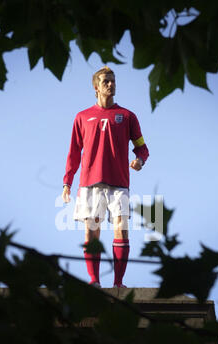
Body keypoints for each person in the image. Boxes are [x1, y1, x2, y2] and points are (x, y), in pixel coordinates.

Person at [62, 66, 149, 288]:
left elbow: (142, 148)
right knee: (92, 232)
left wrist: (139, 160)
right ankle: (94, 281)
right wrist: (67, 183)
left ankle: (118, 283)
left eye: (113, 81)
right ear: (96, 87)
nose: (111, 84)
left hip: (119, 182)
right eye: (106, 82)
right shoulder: (82, 117)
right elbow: (73, 152)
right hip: (90, 182)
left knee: (121, 227)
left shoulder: (128, 116)